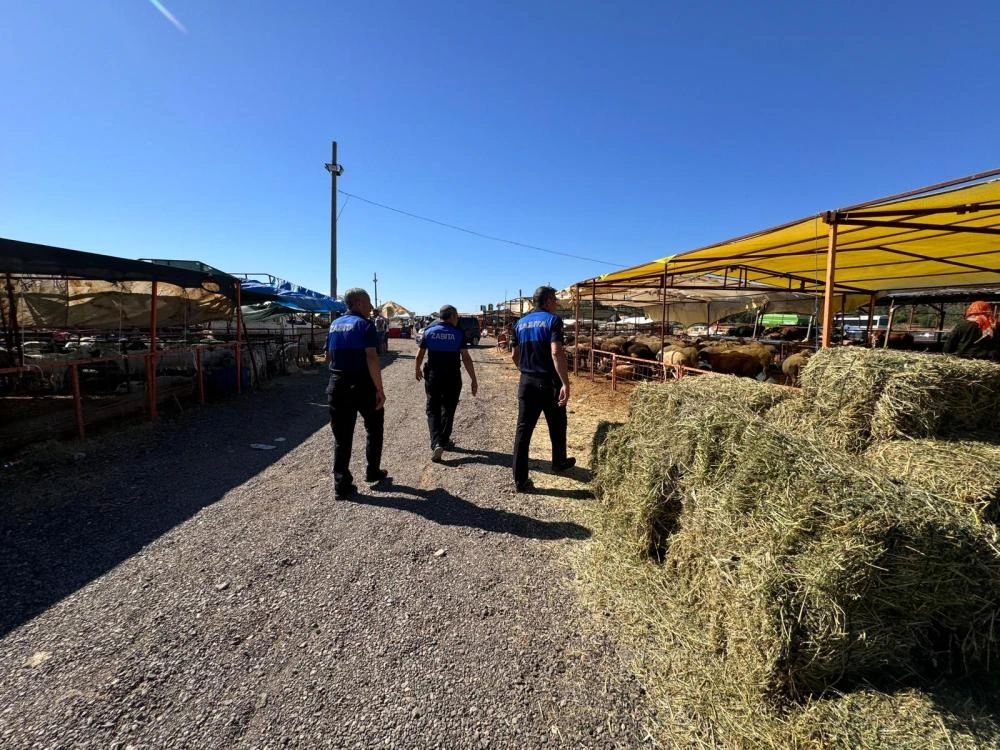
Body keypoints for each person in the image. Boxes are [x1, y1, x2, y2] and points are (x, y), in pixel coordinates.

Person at [325, 288, 389, 499]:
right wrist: (379, 389)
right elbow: (371, 357)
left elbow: (328, 356)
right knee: (374, 427)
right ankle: (372, 471)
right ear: (359, 302)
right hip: (362, 384)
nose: (371, 306)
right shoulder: (365, 324)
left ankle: (341, 485)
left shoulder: (334, 325)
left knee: (342, 437)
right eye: (369, 301)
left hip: (337, 383)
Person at [511, 286, 575, 492]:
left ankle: (520, 480)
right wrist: (565, 382)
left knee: (523, 430)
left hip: (527, 381)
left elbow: (514, 354)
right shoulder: (552, 320)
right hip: (549, 382)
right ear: (547, 301)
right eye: (555, 299)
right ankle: (558, 462)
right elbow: (556, 352)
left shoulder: (519, 323)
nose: (556, 303)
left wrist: (525, 370)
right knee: (557, 424)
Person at [415, 305, 478, 461]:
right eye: (457, 317)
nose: (457, 320)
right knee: (448, 408)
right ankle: (443, 440)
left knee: (432, 408)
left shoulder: (429, 332)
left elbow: (420, 354)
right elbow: (466, 357)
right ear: (452, 317)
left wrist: (417, 369)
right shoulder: (458, 333)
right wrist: (473, 379)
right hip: (452, 376)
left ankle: (436, 442)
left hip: (433, 376)